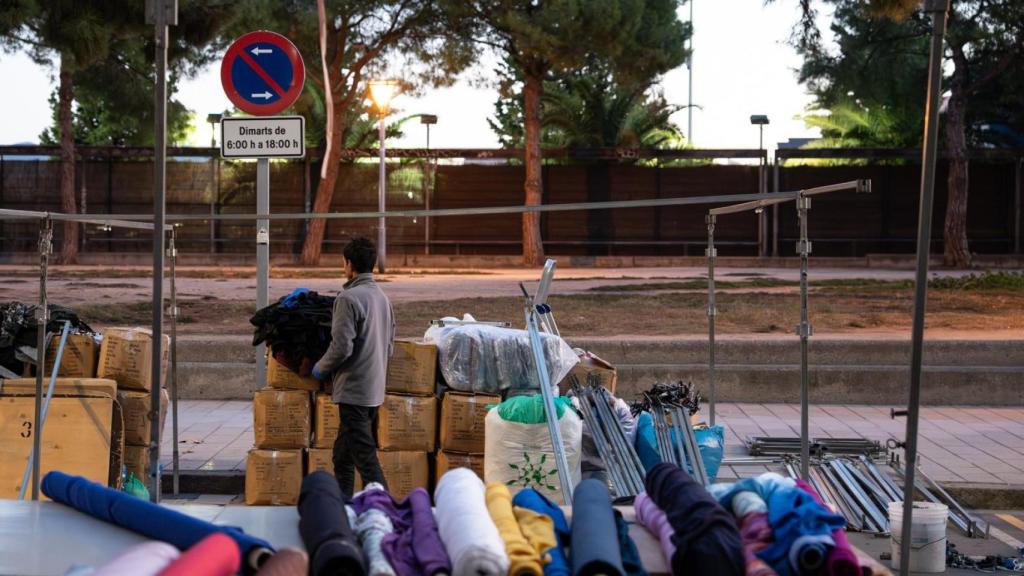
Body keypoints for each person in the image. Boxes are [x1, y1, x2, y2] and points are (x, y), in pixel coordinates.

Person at [312, 236, 394, 495]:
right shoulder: (382, 297)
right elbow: (389, 344)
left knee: (366, 460)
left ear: (348, 264)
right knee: (342, 457)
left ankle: (387, 510)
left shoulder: (348, 299)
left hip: (354, 391)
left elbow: (341, 347)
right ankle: (344, 504)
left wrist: (320, 368)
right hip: (373, 390)